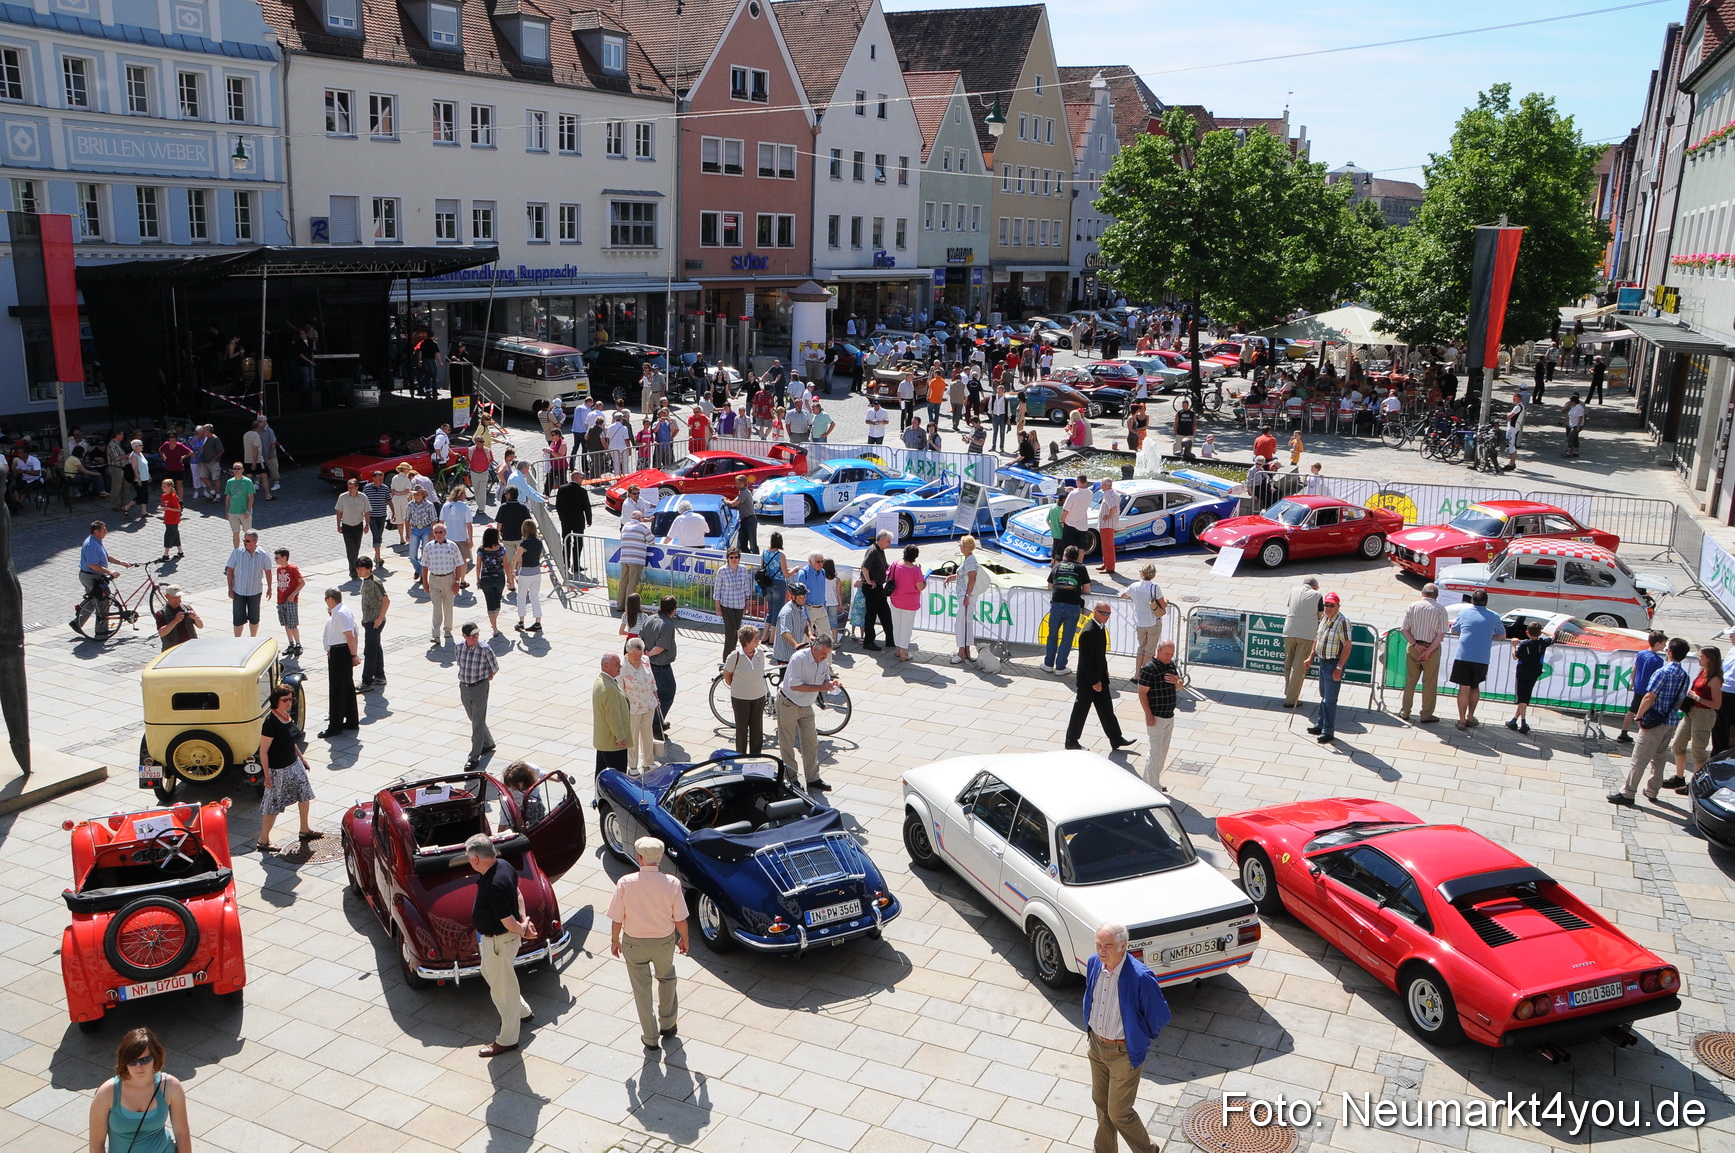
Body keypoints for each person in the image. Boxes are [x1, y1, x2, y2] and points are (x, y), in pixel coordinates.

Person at [1083, 921, 1169, 1153]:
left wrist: (1138, 1037)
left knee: (1119, 1111)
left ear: (1124, 946)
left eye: (1108, 945)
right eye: (1098, 944)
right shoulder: (1094, 963)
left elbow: (1159, 1015)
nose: (1101, 950)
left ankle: (1148, 1151)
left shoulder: (1140, 977)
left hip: (1123, 1052)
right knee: (1101, 1104)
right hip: (1097, 1046)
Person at [609, 836, 690, 1052]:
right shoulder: (672, 883)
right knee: (667, 979)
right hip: (664, 941)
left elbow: (617, 918)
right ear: (661, 857)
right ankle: (668, 1025)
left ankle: (650, 1037)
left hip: (634, 943)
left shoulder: (625, 883)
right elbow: (680, 919)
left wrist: (615, 940)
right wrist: (685, 938)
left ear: (640, 857)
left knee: (641, 990)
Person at [465, 834, 537, 1058]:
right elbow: (517, 893)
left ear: (476, 859)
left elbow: (507, 922)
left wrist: (522, 928)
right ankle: (523, 1012)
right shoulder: (503, 865)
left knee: (502, 990)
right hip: (502, 940)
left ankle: (507, 1039)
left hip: (499, 941)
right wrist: (525, 921)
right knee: (495, 975)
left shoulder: (494, 884)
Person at [1610, 637, 1692, 806]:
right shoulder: (1684, 676)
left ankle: (1628, 793)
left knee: (1639, 759)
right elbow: (1681, 699)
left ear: (1669, 652)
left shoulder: (1663, 672)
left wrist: (1639, 717)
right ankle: (1652, 790)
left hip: (1654, 722)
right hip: (1670, 721)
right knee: (1659, 758)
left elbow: (1649, 696)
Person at [89, 1028, 192, 1153]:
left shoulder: (170, 1086)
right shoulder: (107, 1092)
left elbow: (182, 1133)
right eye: (133, 1061)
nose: (139, 1067)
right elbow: (96, 1145)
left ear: (155, 1057)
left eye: (145, 1060)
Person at [257, 683, 320, 852]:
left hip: (294, 764)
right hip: (278, 770)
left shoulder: (286, 716)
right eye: (285, 699)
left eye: (291, 699)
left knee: (305, 795)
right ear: (276, 701)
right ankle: (263, 841)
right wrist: (267, 775)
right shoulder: (270, 723)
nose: (289, 702)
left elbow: (291, 741)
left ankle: (304, 829)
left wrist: (302, 758)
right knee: (273, 805)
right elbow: (263, 751)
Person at [1065, 602, 1134, 750]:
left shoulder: (1100, 628)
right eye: (1104, 613)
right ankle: (1071, 741)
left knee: (1106, 710)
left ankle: (1116, 739)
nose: (1107, 616)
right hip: (1089, 681)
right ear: (1095, 612)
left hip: (1100, 677)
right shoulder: (1088, 632)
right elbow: (1086, 661)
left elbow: (1100, 654)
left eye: (1109, 614)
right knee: (1081, 710)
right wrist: (1094, 681)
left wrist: (1105, 671)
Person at [778, 633, 838, 790]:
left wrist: (831, 684)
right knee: (787, 743)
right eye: (824, 653)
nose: (826, 657)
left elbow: (825, 678)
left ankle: (813, 778)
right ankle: (791, 779)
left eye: (827, 654)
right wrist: (821, 688)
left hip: (806, 706)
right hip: (788, 703)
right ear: (814, 649)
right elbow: (795, 685)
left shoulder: (823, 661)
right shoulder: (799, 658)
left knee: (811, 742)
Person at [1448, 589, 1504, 729]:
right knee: (1475, 686)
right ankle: (1471, 717)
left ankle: (1461, 720)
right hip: (1482, 657)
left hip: (1463, 655)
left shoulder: (1464, 613)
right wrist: (1488, 637)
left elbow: (1454, 630)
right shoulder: (1494, 616)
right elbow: (1502, 635)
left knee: (1463, 688)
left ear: (1472, 600)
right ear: (1486, 601)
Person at [1668, 646, 1722, 789]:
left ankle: (1696, 785)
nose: (1698, 658)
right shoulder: (1703, 672)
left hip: (1704, 715)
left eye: (1701, 656)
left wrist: (1697, 697)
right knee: (1677, 744)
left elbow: (1716, 704)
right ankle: (1679, 777)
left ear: (1709, 658)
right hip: (1691, 711)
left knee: (1698, 750)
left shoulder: (1714, 678)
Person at [1135, 640, 1183, 791]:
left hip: (1169, 715)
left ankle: (1151, 782)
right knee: (1155, 753)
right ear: (1158, 651)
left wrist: (1178, 681)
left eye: (1172, 654)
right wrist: (1149, 715)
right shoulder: (1149, 669)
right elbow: (1142, 693)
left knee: (1162, 753)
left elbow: (1180, 686)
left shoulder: (1170, 665)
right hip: (1156, 717)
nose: (1170, 656)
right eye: (1167, 653)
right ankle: (1151, 787)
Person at [1305, 592, 1351, 744]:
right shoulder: (1324, 617)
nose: (1328, 608)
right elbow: (1318, 638)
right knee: (1323, 695)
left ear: (1338, 606)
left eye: (1332, 605)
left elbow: (1347, 647)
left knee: (1330, 700)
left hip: (1333, 664)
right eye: (1326, 604)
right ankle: (1320, 724)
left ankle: (1328, 731)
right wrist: (1311, 656)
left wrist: (1339, 667)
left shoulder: (1342, 622)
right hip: (1323, 662)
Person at [1398, 583, 1448, 723]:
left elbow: (1404, 629)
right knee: (1429, 683)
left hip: (1414, 647)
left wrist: (1415, 645)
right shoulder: (1440, 610)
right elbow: (1441, 634)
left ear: (1422, 593)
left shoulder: (1412, 606)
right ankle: (1426, 714)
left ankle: (1405, 711)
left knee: (1410, 681)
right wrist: (1428, 651)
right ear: (1436, 596)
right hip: (1432, 649)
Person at [318, 589, 361, 739]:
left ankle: (335, 726)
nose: (325, 602)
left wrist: (353, 655)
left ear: (330, 599)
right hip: (339, 651)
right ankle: (351, 720)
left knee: (337, 689)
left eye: (325, 599)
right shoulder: (343, 611)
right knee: (347, 687)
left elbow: (350, 636)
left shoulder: (340, 613)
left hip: (340, 653)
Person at [456, 621, 499, 768]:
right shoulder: (459, 647)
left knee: (477, 722)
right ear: (464, 636)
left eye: (477, 635)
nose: (476, 638)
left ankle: (474, 757)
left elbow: (494, 667)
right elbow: (460, 664)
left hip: (480, 687)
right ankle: (488, 742)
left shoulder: (484, 649)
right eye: (472, 636)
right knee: (474, 718)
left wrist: (488, 677)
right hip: (464, 686)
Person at [1618, 631, 1671, 743]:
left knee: (1632, 710)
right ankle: (1644, 733)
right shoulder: (1658, 660)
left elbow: (1634, 669)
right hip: (1648, 690)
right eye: (1664, 644)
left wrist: (1632, 683)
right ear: (1657, 644)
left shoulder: (1641, 653)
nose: (1665, 646)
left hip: (1638, 687)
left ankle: (1623, 731)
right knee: (1645, 712)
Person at [722, 625, 768, 755]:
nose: (758, 641)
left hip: (758, 696)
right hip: (740, 698)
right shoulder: (735, 656)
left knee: (757, 729)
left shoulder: (760, 654)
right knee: (742, 729)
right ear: (747, 641)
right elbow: (727, 675)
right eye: (755, 639)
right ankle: (740, 756)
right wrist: (737, 687)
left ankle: (755, 757)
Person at [639, 596, 680, 740]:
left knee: (653, 694)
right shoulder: (667, 624)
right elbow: (661, 646)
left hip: (648, 664)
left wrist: (644, 653)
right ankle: (656, 725)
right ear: (673, 609)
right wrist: (650, 653)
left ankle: (655, 722)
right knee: (667, 693)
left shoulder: (650, 619)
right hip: (660, 666)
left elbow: (640, 638)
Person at [1045, 545, 1090, 674]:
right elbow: (1086, 589)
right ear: (1077, 557)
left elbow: (1050, 586)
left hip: (1057, 604)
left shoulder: (1057, 566)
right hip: (1073, 605)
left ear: (1064, 555)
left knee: (1052, 634)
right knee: (1067, 637)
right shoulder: (1081, 568)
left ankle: (1048, 664)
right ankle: (1060, 667)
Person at [421, 521, 465, 646]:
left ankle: (447, 630)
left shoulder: (452, 546)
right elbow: (424, 565)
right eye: (436, 532)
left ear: (445, 533)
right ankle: (435, 635)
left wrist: (457, 582)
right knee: (436, 608)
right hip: (434, 579)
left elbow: (459, 565)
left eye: (441, 532)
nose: (438, 534)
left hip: (449, 579)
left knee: (448, 606)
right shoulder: (429, 546)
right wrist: (425, 582)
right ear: (433, 533)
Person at [621, 637, 661, 772]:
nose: (638, 657)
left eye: (640, 654)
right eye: (635, 655)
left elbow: (652, 681)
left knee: (647, 734)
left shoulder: (646, 660)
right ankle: (632, 764)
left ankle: (648, 761)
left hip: (648, 704)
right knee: (632, 736)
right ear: (628, 653)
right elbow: (620, 690)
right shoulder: (622, 667)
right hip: (632, 707)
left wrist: (656, 698)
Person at [1280, 576, 1322, 709]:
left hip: (1289, 631)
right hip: (1306, 634)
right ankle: (1291, 700)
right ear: (1314, 586)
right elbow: (1320, 614)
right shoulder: (1318, 595)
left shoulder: (1294, 590)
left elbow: (1290, 606)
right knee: (1298, 668)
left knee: (1288, 663)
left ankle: (1289, 691)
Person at [224, 531, 272, 638]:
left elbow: (268, 571)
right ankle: (237, 639)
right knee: (238, 618)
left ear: (255, 541)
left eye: (248, 541)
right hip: (239, 591)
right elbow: (230, 570)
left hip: (255, 591)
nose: (245, 542)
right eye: (244, 540)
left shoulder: (263, 555)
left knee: (254, 617)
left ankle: (253, 638)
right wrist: (230, 589)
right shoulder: (237, 553)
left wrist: (269, 587)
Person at [943, 534, 981, 665]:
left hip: (966, 596)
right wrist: (952, 577)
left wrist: (966, 595)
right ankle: (966, 650)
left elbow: (972, 578)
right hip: (966, 596)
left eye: (960, 545)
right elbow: (965, 575)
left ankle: (962, 652)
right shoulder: (969, 559)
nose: (960, 546)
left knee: (960, 623)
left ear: (965, 547)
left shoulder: (969, 560)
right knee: (965, 623)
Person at [593, 653, 632, 774]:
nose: (620, 666)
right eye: (616, 664)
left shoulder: (601, 681)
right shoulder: (609, 688)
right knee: (618, 777)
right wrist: (620, 738)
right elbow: (613, 716)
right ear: (606, 666)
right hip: (613, 743)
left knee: (601, 773)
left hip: (604, 741)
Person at [1125, 563, 1167, 671]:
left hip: (1139, 623)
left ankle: (1137, 674)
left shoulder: (1134, 586)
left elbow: (1123, 595)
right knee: (1149, 651)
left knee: (1141, 649)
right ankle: (1144, 674)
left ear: (1142, 573)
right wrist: (1166, 600)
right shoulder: (1154, 588)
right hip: (1153, 622)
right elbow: (1163, 605)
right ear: (1153, 575)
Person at [356, 557, 390, 690]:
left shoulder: (375, 582)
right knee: (376, 648)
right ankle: (380, 676)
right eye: (358, 569)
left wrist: (380, 618)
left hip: (375, 621)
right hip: (369, 620)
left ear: (369, 569)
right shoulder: (365, 581)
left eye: (362, 569)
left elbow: (386, 600)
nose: (359, 571)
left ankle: (367, 681)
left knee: (369, 651)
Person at [713, 548, 752, 658]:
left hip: (739, 604)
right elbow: (717, 589)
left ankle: (734, 654)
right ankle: (727, 657)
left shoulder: (743, 569)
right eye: (731, 557)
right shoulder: (722, 571)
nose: (734, 559)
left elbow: (746, 586)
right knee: (730, 631)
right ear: (728, 558)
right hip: (727, 604)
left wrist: (747, 602)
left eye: (736, 557)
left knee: (736, 630)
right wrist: (718, 606)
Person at [858, 532, 894, 651]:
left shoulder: (880, 551)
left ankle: (890, 639)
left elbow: (884, 566)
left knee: (885, 613)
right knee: (871, 615)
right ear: (882, 539)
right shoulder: (873, 551)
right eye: (888, 541)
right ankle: (868, 642)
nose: (889, 544)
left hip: (878, 587)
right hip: (872, 588)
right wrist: (868, 581)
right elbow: (864, 567)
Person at [555, 473, 594, 573]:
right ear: (576, 478)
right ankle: (576, 565)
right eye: (582, 478)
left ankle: (565, 563)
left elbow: (558, 505)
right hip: (578, 521)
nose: (582, 480)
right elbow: (587, 507)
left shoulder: (562, 489)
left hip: (566, 520)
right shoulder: (582, 491)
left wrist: (561, 517)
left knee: (566, 541)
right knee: (578, 543)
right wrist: (589, 520)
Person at [475, 527, 509, 638]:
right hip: (499, 577)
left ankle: (494, 627)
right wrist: (509, 578)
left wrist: (478, 579)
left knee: (490, 603)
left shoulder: (481, 549)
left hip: (486, 578)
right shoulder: (501, 549)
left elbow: (478, 565)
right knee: (497, 601)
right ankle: (494, 625)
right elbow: (505, 565)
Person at [271, 547, 305, 658]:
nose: (275, 560)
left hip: (290, 601)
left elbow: (302, 582)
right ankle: (291, 644)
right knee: (286, 623)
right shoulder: (279, 569)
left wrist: (294, 594)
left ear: (284, 558)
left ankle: (298, 644)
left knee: (292, 624)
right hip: (281, 600)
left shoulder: (293, 569)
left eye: (277, 558)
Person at [334, 477, 369, 579]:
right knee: (350, 549)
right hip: (347, 526)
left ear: (357, 487)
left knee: (356, 548)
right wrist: (338, 525)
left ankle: (355, 567)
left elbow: (367, 511)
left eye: (352, 487)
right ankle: (353, 570)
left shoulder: (363, 497)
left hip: (358, 525)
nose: (350, 489)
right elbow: (339, 511)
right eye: (349, 487)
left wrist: (367, 524)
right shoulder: (342, 497)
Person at [617, 511, 652, 609]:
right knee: (632, 583)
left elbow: (621, 537)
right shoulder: (643, 527)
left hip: (624, 558)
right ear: (640, 518)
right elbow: (651, 540)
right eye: (642, 517)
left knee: (623, 581)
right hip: (636, 559)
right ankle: (629, 607)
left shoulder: (625, 526)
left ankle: (619, 605)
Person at [514, 520, 545, 633]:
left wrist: (512, 572)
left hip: (525, 573)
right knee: (535, 597)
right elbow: (540, 556)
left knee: (521, 597)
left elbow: (516, 559)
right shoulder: (539, 542)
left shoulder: (524, 544)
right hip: (536, 572)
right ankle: (538, 622)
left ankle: (521, 622)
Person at [153, 584, 201, 651]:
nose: (177, 600)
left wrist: (195, 618)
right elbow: (162, 633)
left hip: (190, 648)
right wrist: (175, 621)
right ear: (167, 597)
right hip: (173, 650)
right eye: (174, 597)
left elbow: (200, 626)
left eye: (179, 596)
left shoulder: (187, 608)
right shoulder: (161, 613)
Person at [404, 484, 437, 580]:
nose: (416, 496)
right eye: (415, 494)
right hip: (414, 529)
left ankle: (423, 574)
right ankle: (418, 569)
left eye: (418, 494)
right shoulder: (410, 505)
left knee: (424, 553)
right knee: (412, 554)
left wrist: (432, 534)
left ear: (423, 494)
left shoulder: (429, 505)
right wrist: (407, 533)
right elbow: (407, 519)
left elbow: (434, 520)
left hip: (426, 529)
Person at [729, 476, 757, 554]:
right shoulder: (741, 492)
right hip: (744, 520)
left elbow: (733, 504)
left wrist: (725, 501)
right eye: (737, 483)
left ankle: (757, 560)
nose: (738, 485)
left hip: (750, 520)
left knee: (753, 544)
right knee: (742, 543)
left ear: (745, 483)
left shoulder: (745, 492)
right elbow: (733, 502)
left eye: (740, 483)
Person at [1096, 478, 1119, 575]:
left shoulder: (1109, 495)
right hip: (1106, 524)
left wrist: (1108, 516)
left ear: (1105, 485)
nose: (1101, 486)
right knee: (1105, 545)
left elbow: (1113, 507)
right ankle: (1106, 563)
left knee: (1108, 545)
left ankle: (1110, 567)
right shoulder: (1112, 493)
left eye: (1102, 484)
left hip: (1107, 524)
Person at [1564, 393, 1586, 458]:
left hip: (1576, 425)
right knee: (1575, 438)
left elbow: (1580, 417)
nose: (1570, 402)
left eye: (1571, 401)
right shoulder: (1573, 407)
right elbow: (1570, 416)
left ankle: (1568, 451)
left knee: (1570, 438)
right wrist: (1563, 421)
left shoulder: (1579, 408)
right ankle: (1576, 452)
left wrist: (1578, 426)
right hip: (1572, 424)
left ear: (1574, 401)